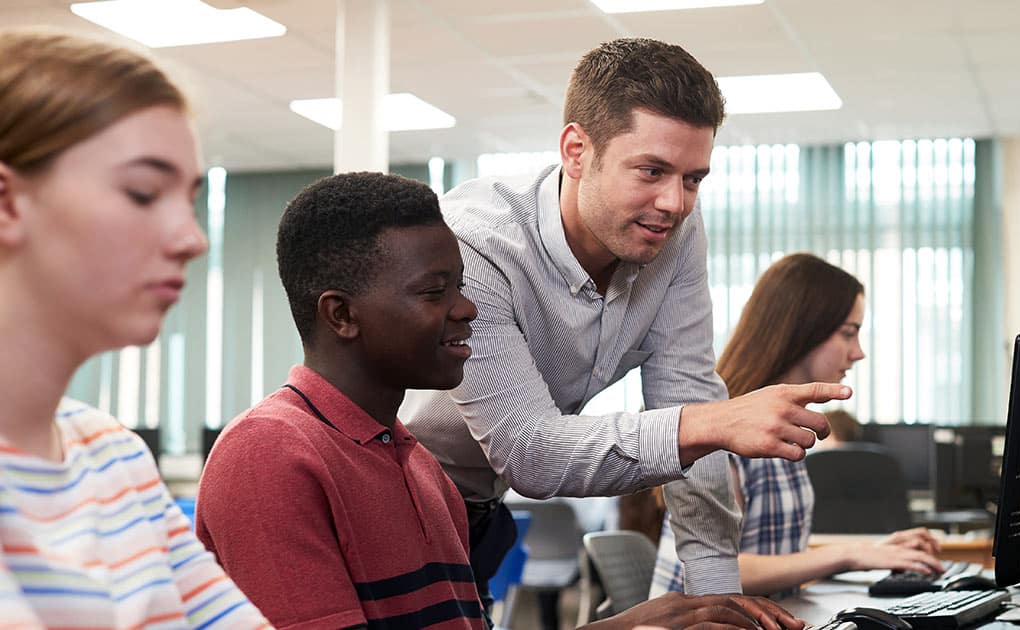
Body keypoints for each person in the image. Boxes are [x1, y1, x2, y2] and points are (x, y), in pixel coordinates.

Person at [194, 172, 804, 630]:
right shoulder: (268, 456)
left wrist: (632, 625)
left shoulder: (418, 464)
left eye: (461, 285)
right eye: (437, 292)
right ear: (342, 314)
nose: (468, 308)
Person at [398, 37, 847, 622]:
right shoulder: (477, 244)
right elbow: (532, 454)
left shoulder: (673, 230)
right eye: (652, 171)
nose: (675, 202)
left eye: (693, 179)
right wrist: (711, 423)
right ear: (577, 150)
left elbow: (689, 391)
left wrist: (723, 601)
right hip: (398, 506)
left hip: (479, 514)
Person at [0, 28, 269, 627]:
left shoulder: (112, 455)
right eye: (144, 193)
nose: (192, 239)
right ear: (8, 203)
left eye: (190, 199)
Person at [651, 253, 944, 598]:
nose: (859, 352)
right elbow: (712, 570)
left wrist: (877, 550)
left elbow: (777, 560)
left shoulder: (784, 429)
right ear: (803, 331)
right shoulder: (726, 430)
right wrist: (848, 555)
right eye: (848, 334)